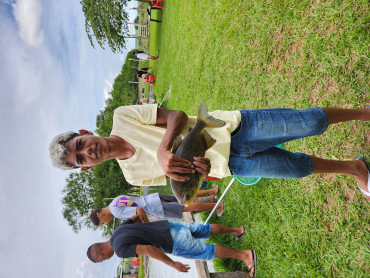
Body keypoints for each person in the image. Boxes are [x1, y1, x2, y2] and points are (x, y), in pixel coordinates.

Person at [49, 104, 370, 200]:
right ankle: (356, 168)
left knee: (311, 122)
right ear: (87, 168)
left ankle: (365, 113)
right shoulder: (132, 173)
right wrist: (198, 171)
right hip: (232, 164)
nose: (88, 152)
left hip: (229, 128)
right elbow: (181, 175)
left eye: (80, 144)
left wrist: (163, 148)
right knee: (298, 169)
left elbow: (174, 116)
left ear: (85, 133)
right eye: (81, 159)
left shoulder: (122, 116)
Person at [86, 215, 255, 276]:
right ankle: (237, 230)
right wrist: (149, 228)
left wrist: (172, 264)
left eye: (102, 260)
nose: (105, 259)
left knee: (207, 251)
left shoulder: (120, 250)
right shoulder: (117, 231)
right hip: (169, 226)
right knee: (204, 230)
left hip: (170, 242)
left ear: (100, 256)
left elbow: (148, 249)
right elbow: (137, 215)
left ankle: (245, 256)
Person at [89, 189, 225, 226]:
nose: (106, 223)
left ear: (101, 216)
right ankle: (212, 192)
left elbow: (138, 209)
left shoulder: (115, 211)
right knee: (184, 199)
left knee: (185, 207)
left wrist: (147, 226)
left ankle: (217, 205)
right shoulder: (116, 201)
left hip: (154, 207)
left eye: (102, 223)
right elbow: (134, 203)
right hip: (152, 199)